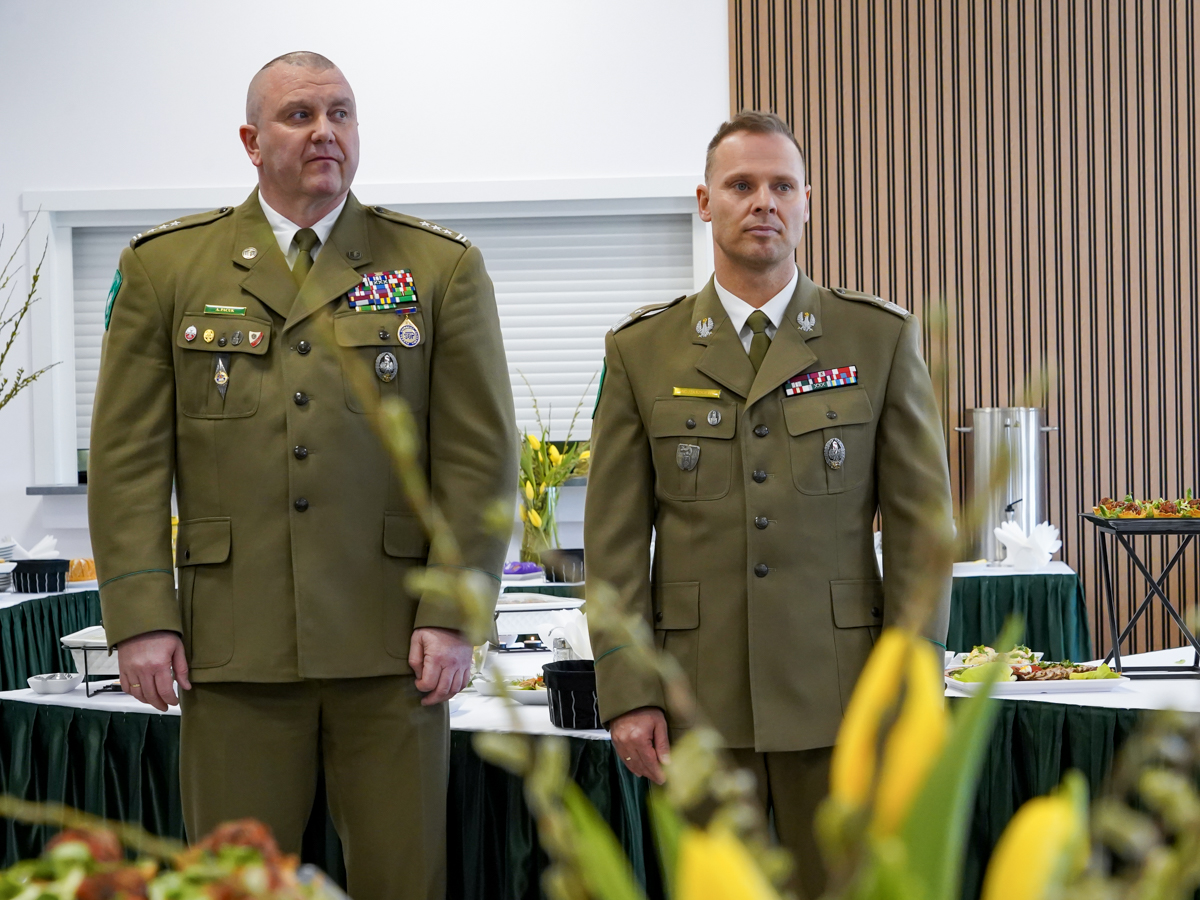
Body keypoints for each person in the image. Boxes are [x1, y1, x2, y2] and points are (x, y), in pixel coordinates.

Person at [88, 51, 517, 900]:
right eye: (299, 115)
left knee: (404, 880)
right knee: (235, 886)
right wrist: (139, 617)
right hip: (231, 646)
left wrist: (455, 612)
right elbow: (128, 459)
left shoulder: (438, 267)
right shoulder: (166, 269)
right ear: (251, 141)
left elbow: (478, 459)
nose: (325, 132)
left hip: (395, 642)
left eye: (341, 114)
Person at [584, 110, 954, 897]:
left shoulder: (877, 339)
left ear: (808, 203)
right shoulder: (642, 352)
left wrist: (909, 695)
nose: (763, 202)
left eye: (783, 186)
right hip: (696, 700)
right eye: (741, 185)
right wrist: (629, 691)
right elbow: (613, 544)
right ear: (704, 202)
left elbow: (923, 535)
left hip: (843, 698)